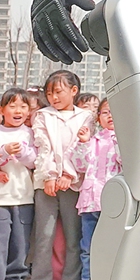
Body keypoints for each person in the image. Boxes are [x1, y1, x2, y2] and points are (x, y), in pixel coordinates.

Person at [31, 70, 90, 280]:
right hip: (45, 183)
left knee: (73, 236)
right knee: (43, 236)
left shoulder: (86, 117)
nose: (53, 97)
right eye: (49, 93)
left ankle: (71, 277)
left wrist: (69, 174)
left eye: (58, 92)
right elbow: (43, 146)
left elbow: (81, 146)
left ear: (74, 91)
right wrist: (50, 175)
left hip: (73, 185)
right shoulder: (42, 116)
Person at [75, 99, 119, 280]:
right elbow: (80, 165)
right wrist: (83, 143)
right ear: (98, 116)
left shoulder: (126, 140)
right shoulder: (93, 140)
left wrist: (120, 139)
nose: (110, 116)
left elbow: (127, 163)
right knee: (89, 248)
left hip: (114, 203)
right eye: (105, 112)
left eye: (115, 112)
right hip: (91, 203)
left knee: (113, 248)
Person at [0, 89, 36, 280]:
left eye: (23, 106)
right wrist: (4, 151)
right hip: (1, 200)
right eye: (12, 106)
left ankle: (18, 277)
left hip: (24, 197)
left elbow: (35, 162)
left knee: (20, 246)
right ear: (2, 110)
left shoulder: (30, 133)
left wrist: (23, 153)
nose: (18, 111)